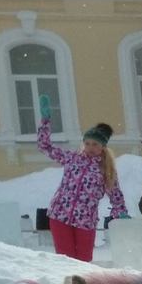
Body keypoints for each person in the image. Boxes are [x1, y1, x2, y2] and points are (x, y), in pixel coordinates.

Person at [37, 96, 127, 261]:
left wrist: (120, 213)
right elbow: (44, 146)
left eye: (95, 145)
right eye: (88, 143)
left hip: (85, 221)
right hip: (60, 216)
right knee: (65, 261)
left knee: (83, 262)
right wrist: (45, 120)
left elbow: (116, 196)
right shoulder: (72, 158)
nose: (91, 148)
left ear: (103, 147)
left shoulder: (106, 169)